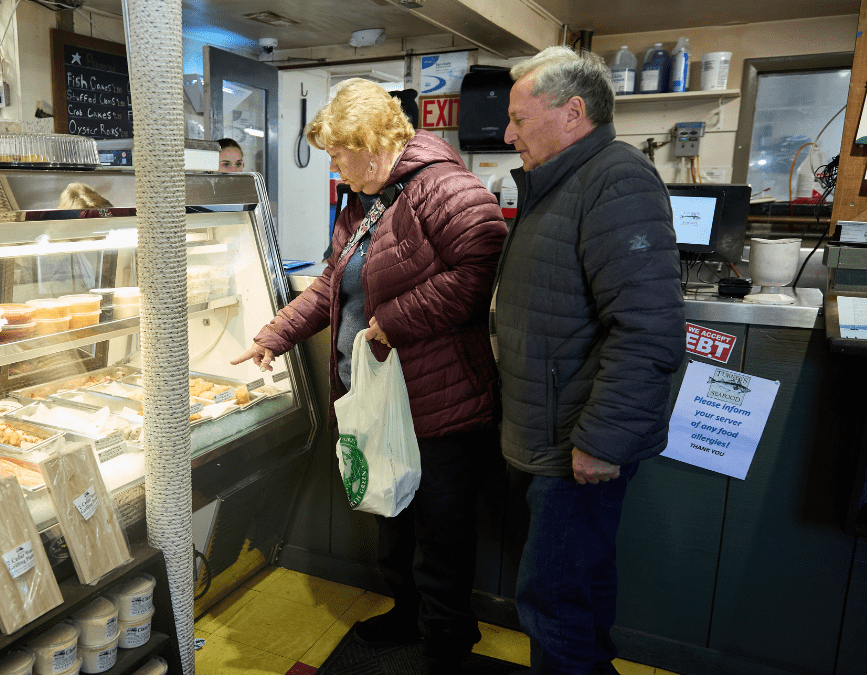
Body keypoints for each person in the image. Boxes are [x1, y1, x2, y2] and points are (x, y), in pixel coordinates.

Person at [231, 78, 507, 670]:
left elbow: (482, 260)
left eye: (337, 152)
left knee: (440, 535)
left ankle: (447, 645)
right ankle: (407, 615)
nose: (333, 165)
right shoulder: (363, 200)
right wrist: (275, 335)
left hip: (438, 400)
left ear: (370, 143)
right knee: (393, 520)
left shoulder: (441, 184)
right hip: (382, 400)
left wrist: (396, 319)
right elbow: (334, 282)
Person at [494, 47, 686, 674]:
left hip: (575, 447)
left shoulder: (616, 179)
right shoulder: (558, 183)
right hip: (546, 435)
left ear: (572, 113)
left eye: (520, 118)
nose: (507, 133)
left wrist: (601, 441)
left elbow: (648, 328)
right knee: (571, 598)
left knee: (555, 610)